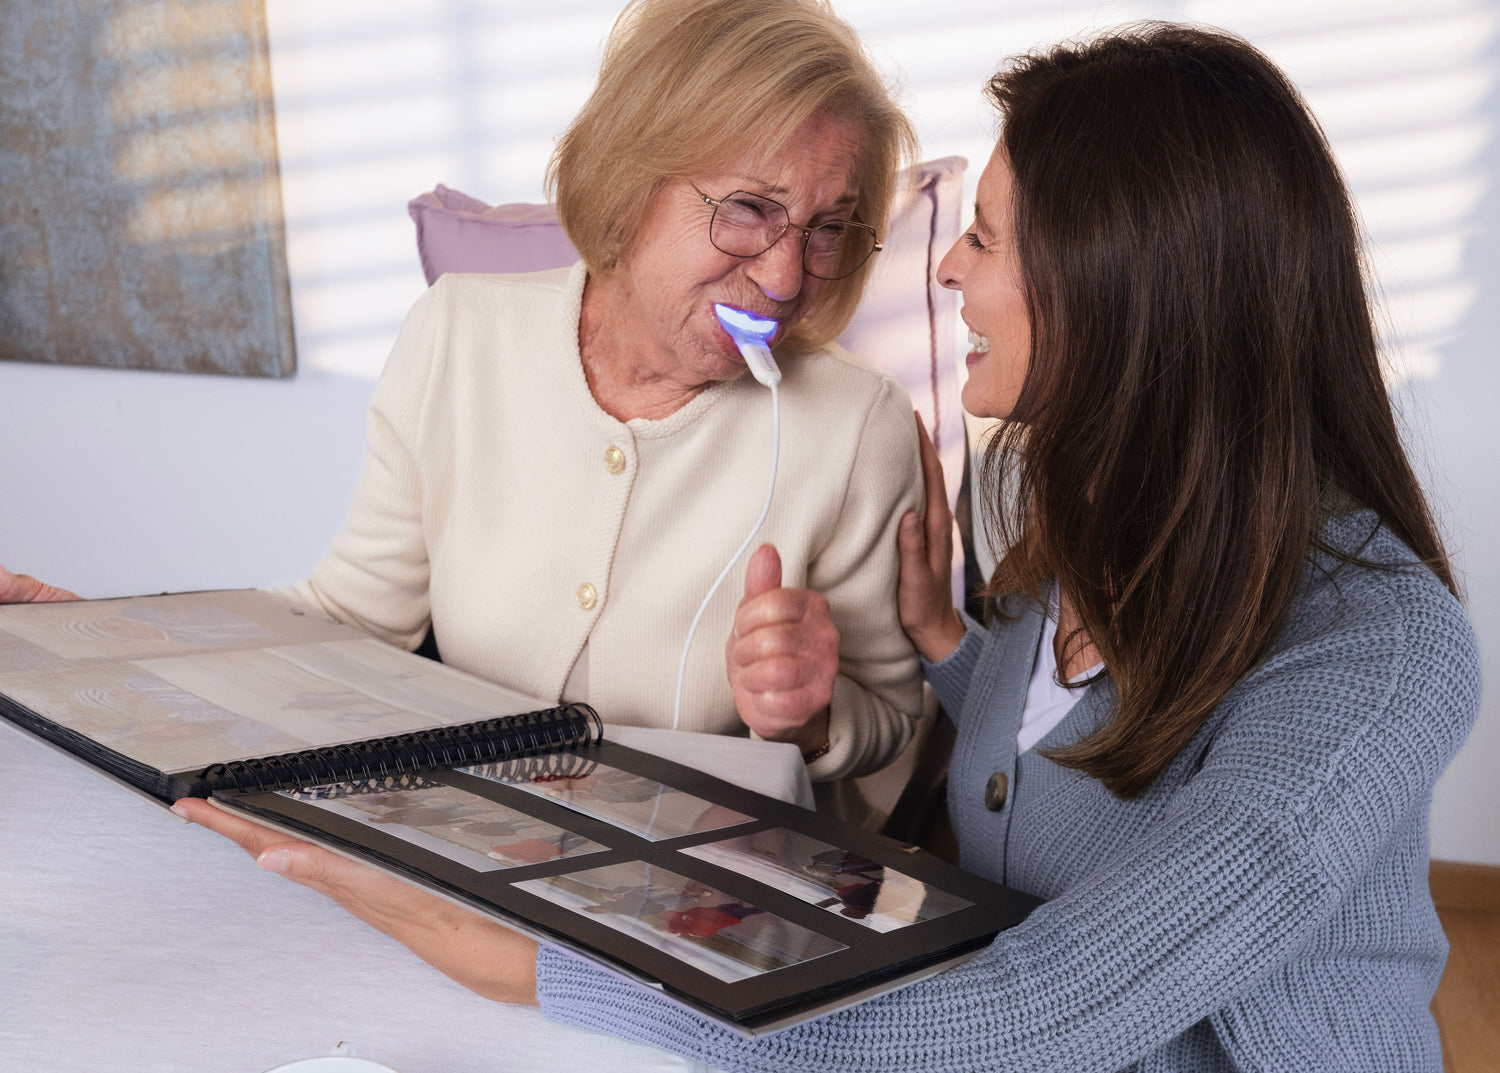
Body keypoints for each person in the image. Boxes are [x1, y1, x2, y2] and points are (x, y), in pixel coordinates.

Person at [176, 21, 1482, 1070]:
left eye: (983, 234)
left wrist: (545, 965)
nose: (946, 274)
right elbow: (1055, 748)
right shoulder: (1068, 511)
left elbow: (1036, 1015)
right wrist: (945, 644)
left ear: (1120, 287)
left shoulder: (1377, 654)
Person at [1, 0, 926, 780]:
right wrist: (110, 638)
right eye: (752, 209)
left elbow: (894, 716)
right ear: (634, 174)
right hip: (468, 841)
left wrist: (811, 717)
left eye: (828, 227)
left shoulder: (856, 427)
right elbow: (350, 624)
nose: (784, 278)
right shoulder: (458, 336)